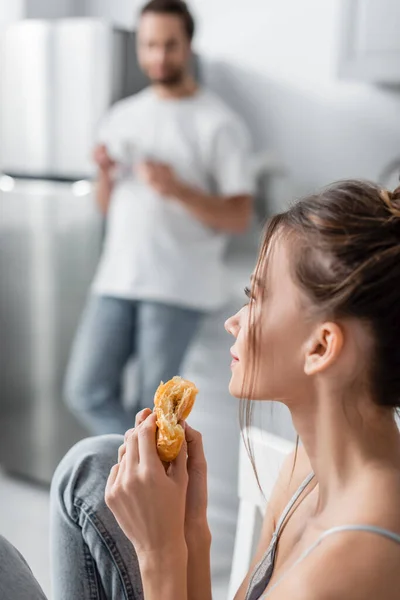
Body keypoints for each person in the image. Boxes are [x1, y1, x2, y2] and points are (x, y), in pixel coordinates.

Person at [2, 179, 400, 599]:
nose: (235, 321)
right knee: (93, 466)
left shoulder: (352, 564)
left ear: (320, 347)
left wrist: (160, 550)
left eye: (257, 297)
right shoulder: (304, 472)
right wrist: (191, 527)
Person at [64, 0, 254, 435]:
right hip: (116, 278)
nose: (159, 56)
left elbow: (239, 217)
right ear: (139, 46)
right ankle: (134, 480)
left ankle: (138, 495)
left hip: (175, 287)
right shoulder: (121, 115)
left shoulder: (219, 124)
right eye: (150, 45)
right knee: (85, 390)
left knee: (150, 411)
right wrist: (105, 175)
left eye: (170, 45)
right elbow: (105, 208)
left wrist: (177, 188)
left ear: (188, 46)